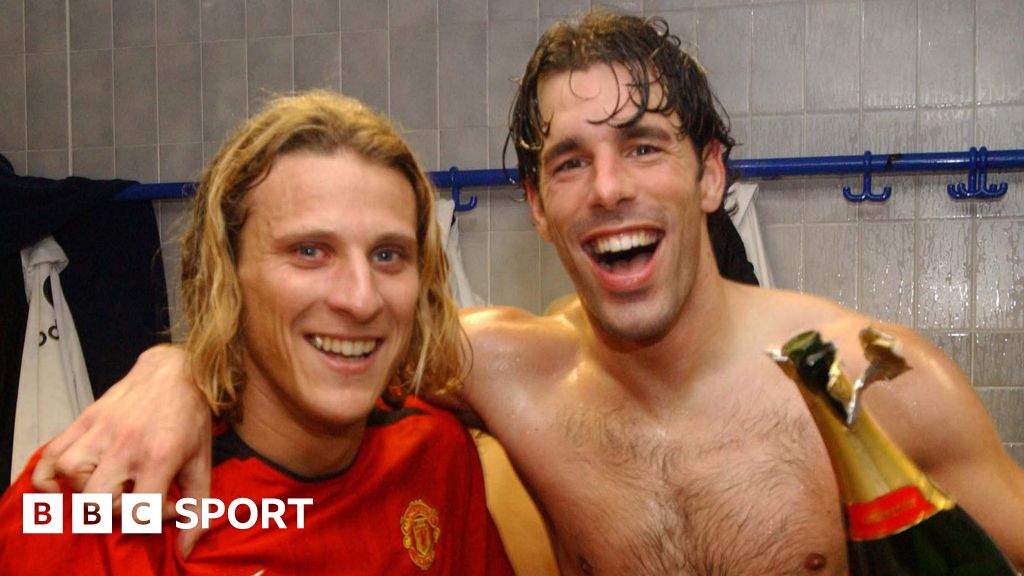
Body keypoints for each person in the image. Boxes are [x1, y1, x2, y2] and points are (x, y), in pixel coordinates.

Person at [27, 10, 1024, 575]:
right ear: (535, 205)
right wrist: (171, 373)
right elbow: (311, 345)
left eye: (644, 147)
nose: (609, 190)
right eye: (569, 163)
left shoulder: (865, 384)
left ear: (710, 176)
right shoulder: (498, 370)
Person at [0, 91, 515, 575]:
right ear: (226, 275)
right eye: (309, 251)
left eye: (388, 255)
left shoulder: (433, 456)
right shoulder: (94, 502)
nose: (361, 299)